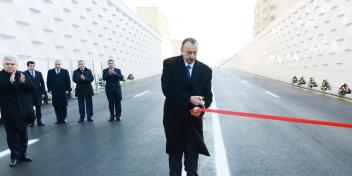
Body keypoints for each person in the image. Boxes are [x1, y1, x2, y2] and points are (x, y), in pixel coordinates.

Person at [161, 38, 213, 176]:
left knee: (192, 166)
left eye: (195, 52)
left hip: (193, 123)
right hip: (174, 121)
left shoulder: (206, 70)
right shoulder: (170, 64)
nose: (192, 56)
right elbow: (167, 90)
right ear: (181, 51)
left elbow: (208, 96)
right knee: (175, 163)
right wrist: (189, 99)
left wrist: (201, 108)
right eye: (189, 52)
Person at [0, 56, 34, 167]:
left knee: (23, 134)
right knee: (12, 135)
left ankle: (23, 154)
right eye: (7, 63)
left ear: (17, 65)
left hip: (23, 112)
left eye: (12, 64)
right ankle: (14, 156)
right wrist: (10, 82)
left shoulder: (22, 74)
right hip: (9, 112)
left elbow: (31, 88)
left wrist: (24, 83)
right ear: (3, 64)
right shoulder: (0, 76)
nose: (10, 65)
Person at [47, 60, 71, 124]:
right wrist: (49, 89)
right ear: (54, 64)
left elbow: (68, 81)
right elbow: (48, 81)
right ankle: (58, 119)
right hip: (54, 92)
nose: (57, 65)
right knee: (56, 105)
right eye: (56, 64)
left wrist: (67, 89)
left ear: (60, 65)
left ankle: (63, 118)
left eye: (58, 64)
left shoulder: (65, 71)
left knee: (63, 105)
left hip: (63, 91)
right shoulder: (50, 72)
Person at [24, 61, 47, 126]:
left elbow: (42, 84)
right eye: (30, 66)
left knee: (38, 109)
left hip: (38, 94)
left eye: (33, 66)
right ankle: (31, 122)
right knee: (30, 110)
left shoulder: (39, 73)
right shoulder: (24, 73)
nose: (32, 67)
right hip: (29, 94)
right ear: (28, 66)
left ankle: (39, 121)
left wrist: (43, 93)